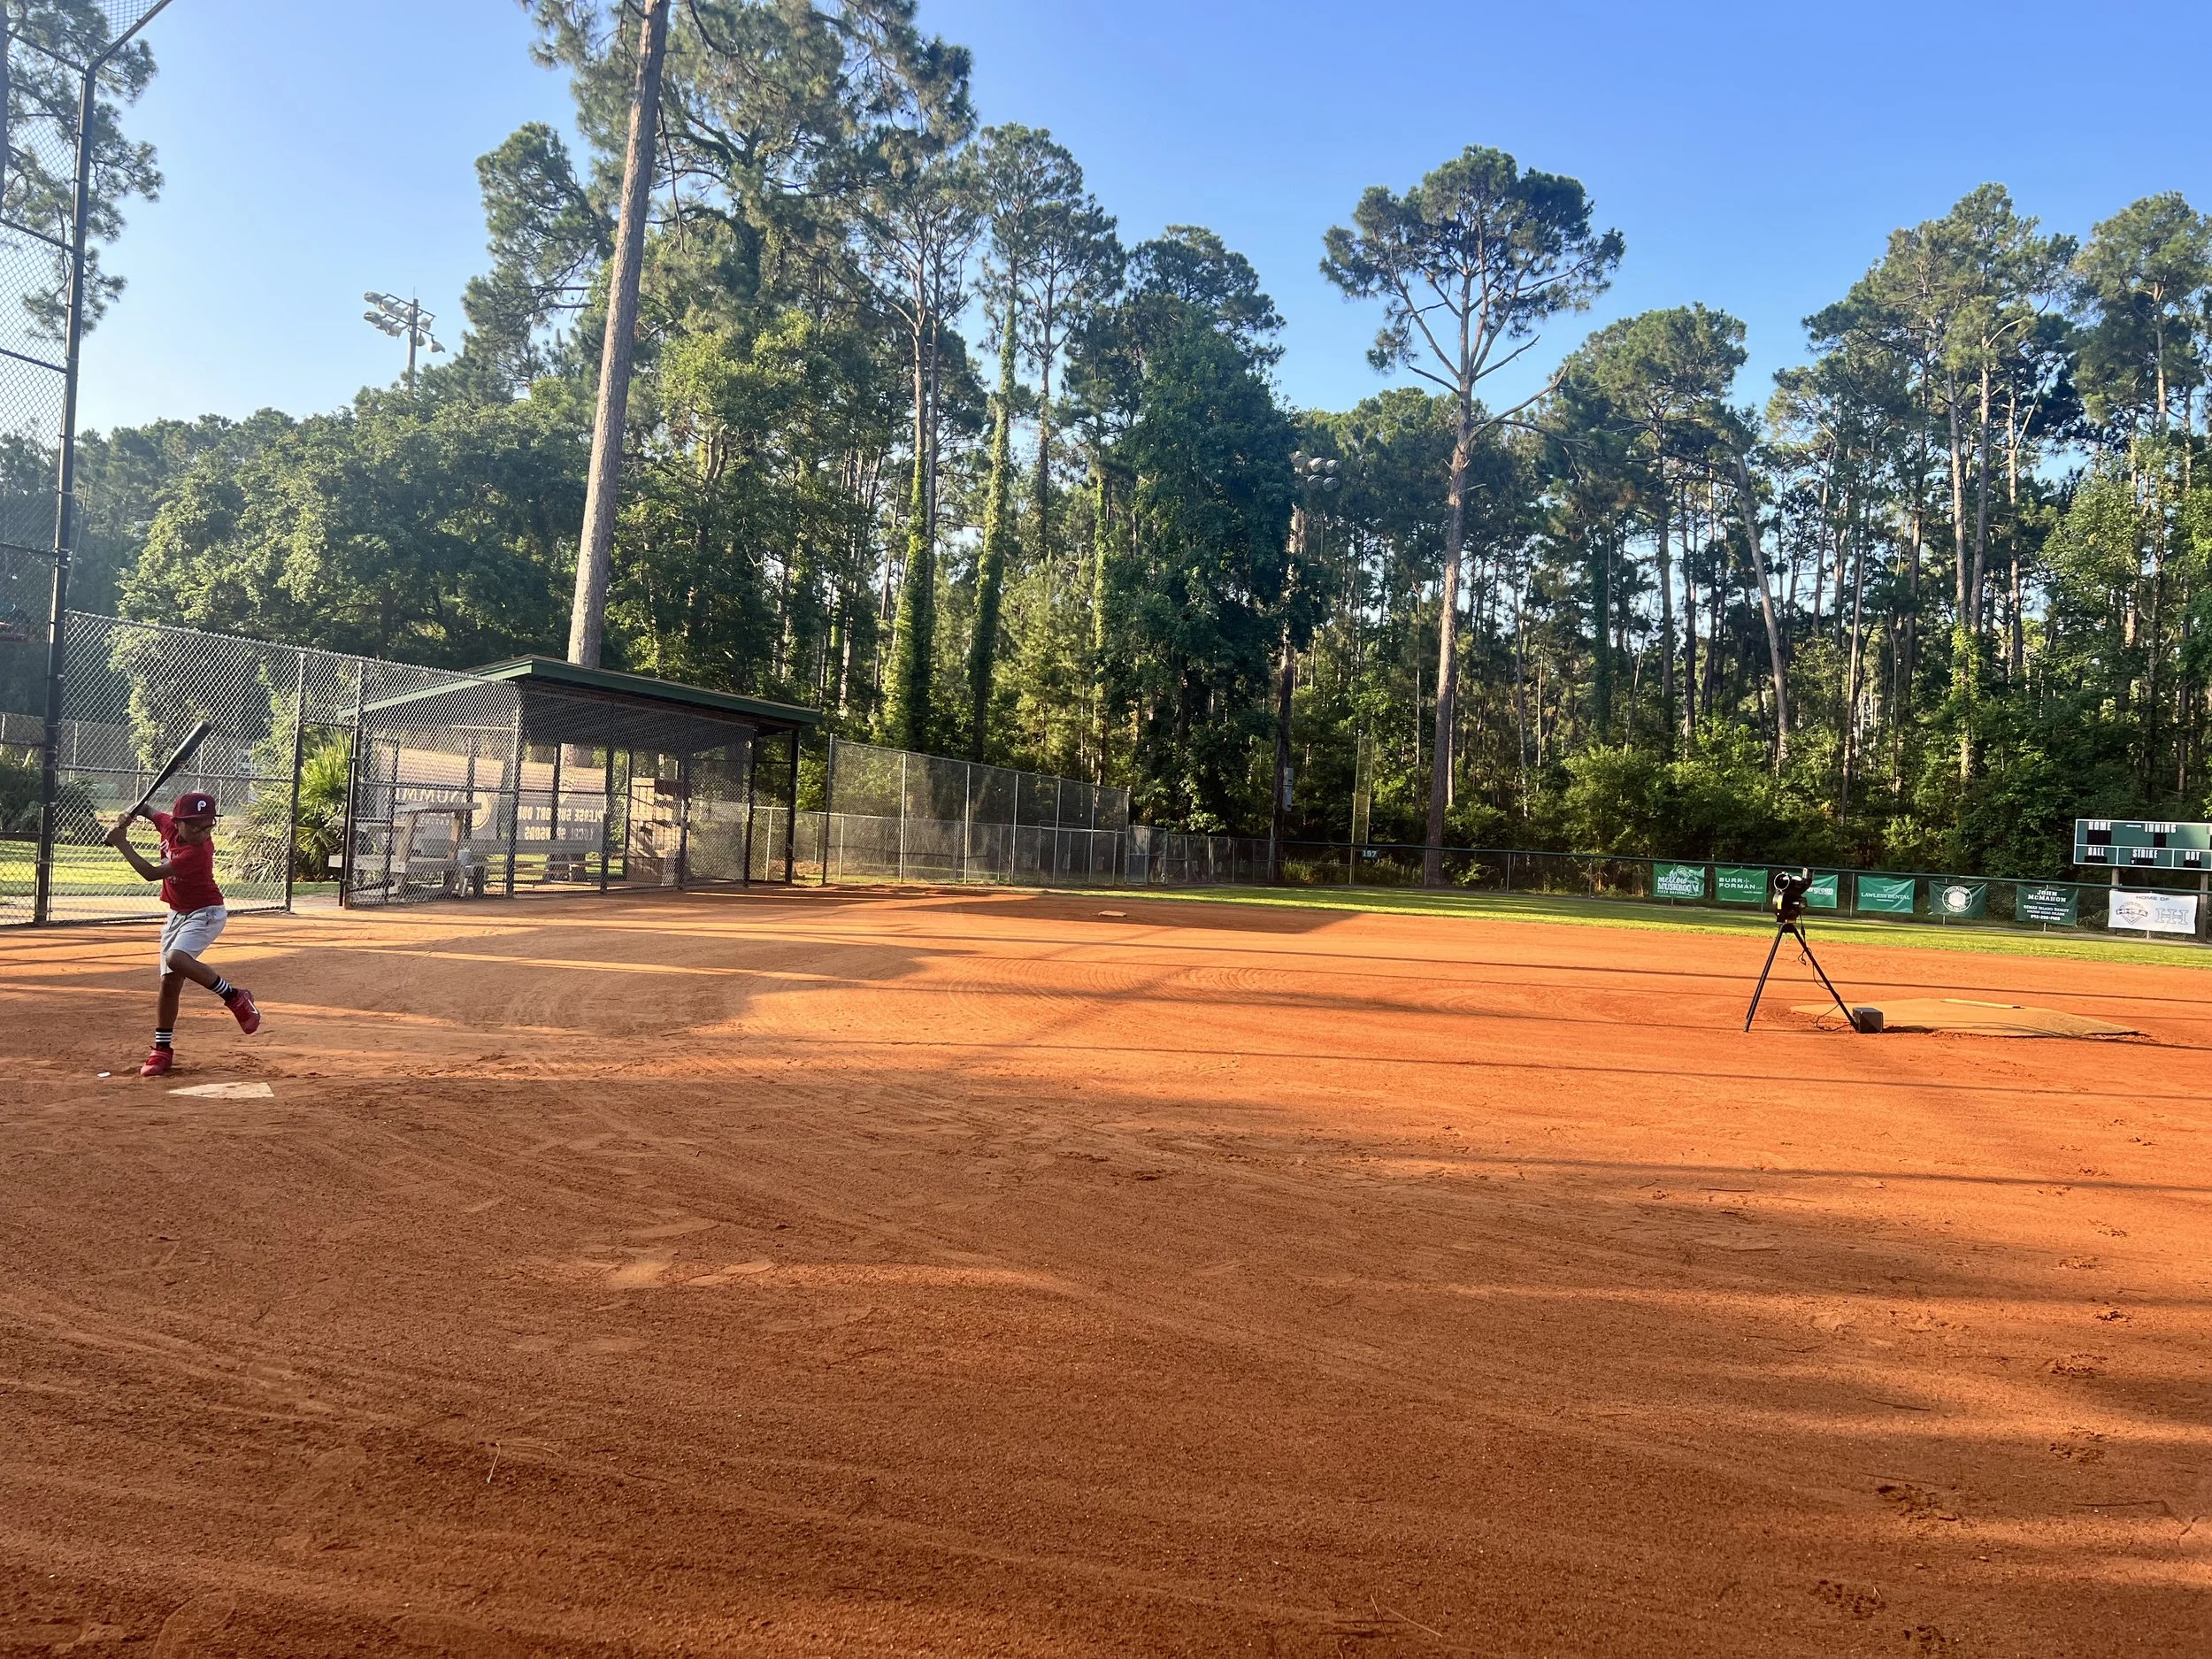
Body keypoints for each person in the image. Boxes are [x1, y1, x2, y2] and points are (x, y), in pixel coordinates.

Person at [106, 790, 262, 1077]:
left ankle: (234, 996)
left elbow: (151, 873)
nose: (202, 832)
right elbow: (150, 809)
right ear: (177, 822)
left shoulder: (197, 853)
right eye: (194, 825)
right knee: (169, 984)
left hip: (206, 913)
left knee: (176, 958)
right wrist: (133, 812)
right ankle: (161, 1050)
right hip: (177, 914)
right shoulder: (167, 824)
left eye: (207, 825)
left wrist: (122, 843)